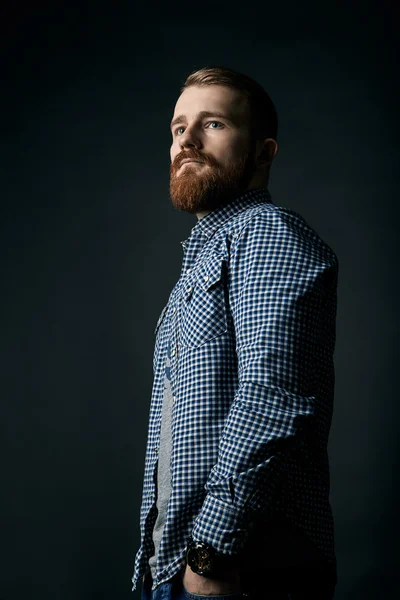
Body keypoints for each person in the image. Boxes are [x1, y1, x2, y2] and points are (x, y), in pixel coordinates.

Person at [131, 65, 339, 600]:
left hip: (240, 569)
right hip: (182, 567)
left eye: (214, 124)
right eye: (178, 128)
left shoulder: (268, 234)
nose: (187, 142)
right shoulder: (201, 259)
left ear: (265, 152)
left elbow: (273, 399)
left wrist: (210, 553)